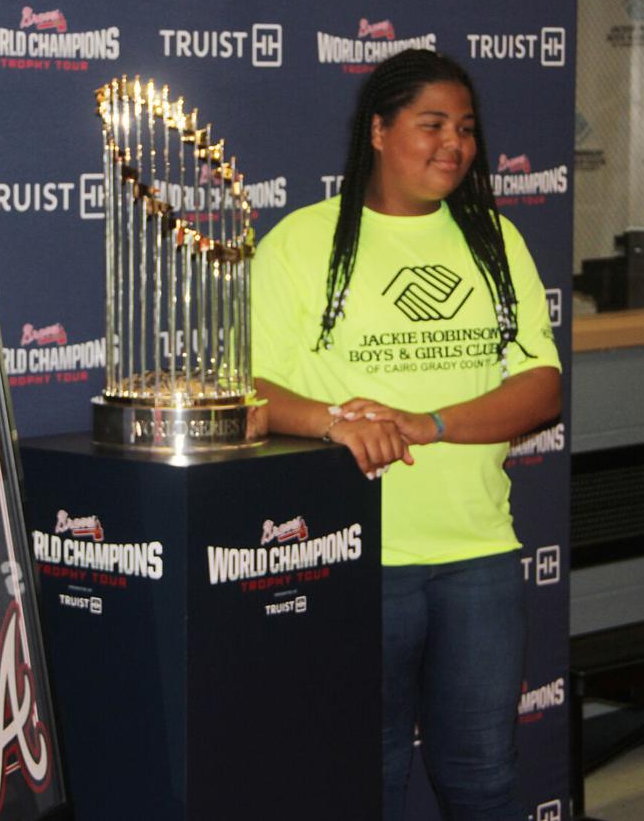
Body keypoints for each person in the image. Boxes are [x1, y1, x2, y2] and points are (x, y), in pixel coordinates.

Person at [251, 49, 561, 820]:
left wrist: (429, 424)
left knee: (484, 776)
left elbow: (542, 388)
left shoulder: (495, 241)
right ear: (381, 131)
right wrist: (334, 422)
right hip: (357, 556)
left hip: (477, 554)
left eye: (465, 128)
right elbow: (249, 393)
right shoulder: (301, 241)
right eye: (431, 125)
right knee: (365, 775)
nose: (453, 144)